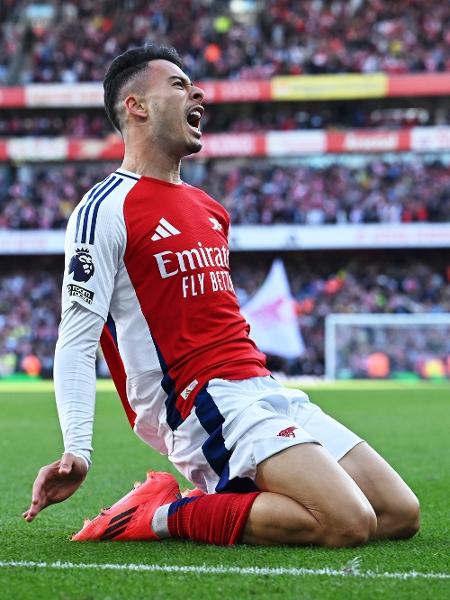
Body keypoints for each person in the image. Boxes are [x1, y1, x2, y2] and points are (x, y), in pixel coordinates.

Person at [23, 44, 420, 547]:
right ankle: (160, 514)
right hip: (199, 401)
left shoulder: (209, 208)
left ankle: (199, 501)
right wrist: (78, 446)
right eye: (177, 83)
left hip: (263, 386)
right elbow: (76, 339)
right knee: (347, 523)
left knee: (399, 513)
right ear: (136, 106)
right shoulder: (103, 208)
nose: (198, 92)